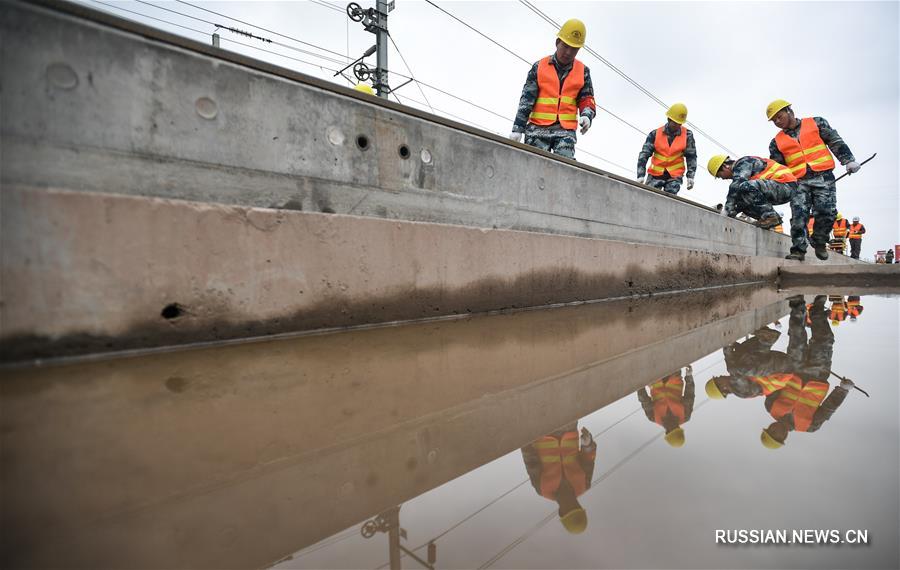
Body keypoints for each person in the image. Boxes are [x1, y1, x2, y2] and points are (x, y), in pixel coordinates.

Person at [766, 100, 860, 261]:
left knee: (827, 212)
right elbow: (778, 167)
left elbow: (835, 141)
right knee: (798, 216)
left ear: (789, 111)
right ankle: (798, 250)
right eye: (774, 120)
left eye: (779, 117)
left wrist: (848, 160)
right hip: (798, 182)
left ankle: (820, 240)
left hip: (823, 177)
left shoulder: (816, 123)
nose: (777, 122)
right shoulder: (776, 142)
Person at [758, 295, 855, 450]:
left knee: (797, 336)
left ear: (769, 427)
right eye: (778, 436)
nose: (776, 431)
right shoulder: (810, 426)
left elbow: (773, 381)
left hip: (795, 369)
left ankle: (797, 305)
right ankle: (817, 311)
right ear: (784, 438)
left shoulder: (770, 406)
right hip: (818, 374)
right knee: (825, 340)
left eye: (772, 432)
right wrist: (842, 391)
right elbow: (828, 408)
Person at [509, 19, 596, 160]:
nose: (568, 52)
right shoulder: (539, 67)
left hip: (565, 132)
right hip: (537, 130)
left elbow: (587, 98)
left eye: (574, 49)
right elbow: (526, 101)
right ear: (557, 43)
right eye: (565, 46)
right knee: (532, 167)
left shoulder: (583, 71)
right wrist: (517, 129)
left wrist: (587, 115)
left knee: (565, 168)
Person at [521, 423, 597, 534]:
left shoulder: (542, 489)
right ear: (579, 505)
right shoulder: (584, 484)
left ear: (561, 511)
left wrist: (524, 438)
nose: (571, 503)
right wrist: (588, 444)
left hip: (542, 432)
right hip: (568, 426)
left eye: (568, 509)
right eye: (575, 506)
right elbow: (588, 460)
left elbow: (531, 462)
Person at [707, 155, 797, 228]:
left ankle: (770, 216)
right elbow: (739, 199)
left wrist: (726, 209)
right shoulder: (742, 170)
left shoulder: (743, 162)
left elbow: (737, 183)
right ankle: (768, 220)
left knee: (744, 186)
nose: (722, 178)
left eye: (719, 175)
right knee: (741, 201)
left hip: (786, 185)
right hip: (777, 189)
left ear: (725, 166)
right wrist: (730, 214)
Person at [636, 104, 697, 194]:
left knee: (669, 200)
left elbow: (691, 156)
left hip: (674, 176)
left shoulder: (687, 135)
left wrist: (690, 176)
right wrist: (640, 175)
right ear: (669, 119)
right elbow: (644, 154)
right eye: (675, 122)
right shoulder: (655, 134)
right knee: (649, 196)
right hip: (655, 174)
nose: (677, 125)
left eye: (679, 123)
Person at [637, 366, 694, 447]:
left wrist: (640, 383)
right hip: (674, 373)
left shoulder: (653, 417)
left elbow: (644, 399)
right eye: (675, 428)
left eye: (670, 429)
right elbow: (690, 394)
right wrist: (689, 376)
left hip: (655, 377)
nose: (672, 426)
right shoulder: (685, 415)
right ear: (678, 428)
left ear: (667, 432)